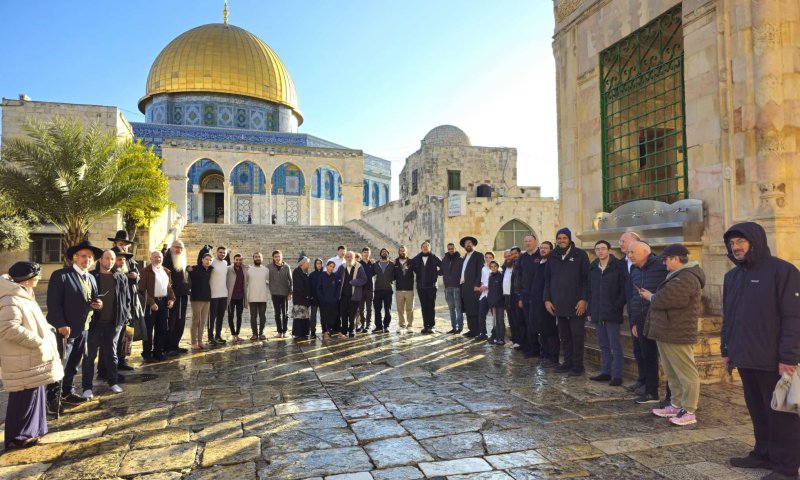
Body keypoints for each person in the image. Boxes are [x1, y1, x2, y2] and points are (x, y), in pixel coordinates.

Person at [721, 222, 800, 479]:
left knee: (781, 415)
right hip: (744, 357)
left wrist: (789, 356)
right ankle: (763, 453)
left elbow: (793, 316)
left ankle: (786, 468)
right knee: (757, 410)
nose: (736, 247)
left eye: (740, 242)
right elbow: (729, 317)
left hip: (773, 359)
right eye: (732, 243)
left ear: (755, 241)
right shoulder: (732, 276)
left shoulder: (782, 271)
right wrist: (726, 349)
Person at [639, 243, 705, 426]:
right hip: (667, 332)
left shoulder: (687, 277)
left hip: (678, 332)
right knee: (672, 372)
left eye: (666, 259)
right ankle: (676, 405)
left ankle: (689, 410)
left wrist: (651, 297)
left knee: (686, 372)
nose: (663, 263)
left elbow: (668, 299)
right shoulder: (677, 275)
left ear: (676, 259)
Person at [0, 262, 63, 448]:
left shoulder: (23, 294)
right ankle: (18, 437)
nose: (38, 279)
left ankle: (31, 432)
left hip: (31, 358)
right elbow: (8, 328)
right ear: (28, 279)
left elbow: (31, 321)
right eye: (36, 276)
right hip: (23, 358)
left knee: (34, 396)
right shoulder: (11, 299)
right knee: (24, 399)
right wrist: (37, 341)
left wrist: (47, 329)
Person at [46, 240, 104, 409]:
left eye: (90, 257)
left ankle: (67, 391)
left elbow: (93, 298)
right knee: (60, 364)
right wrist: (60, 324)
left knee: (74, 363)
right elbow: (53, 304)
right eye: (84, 256)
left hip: (84, 329)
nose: (87, 260)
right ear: (75, 257)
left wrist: (98, 305)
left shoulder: (92, 277)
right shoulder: (61, 275)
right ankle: (53, 398)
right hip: (64, 330)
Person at [82, 250, 130, 399]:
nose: (110, 261)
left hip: (113, 324)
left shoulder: (121, 277)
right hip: (94, 324)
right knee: (89, 356)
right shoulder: (90, 276)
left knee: (112, 354)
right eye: (107, 258)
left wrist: (123, 318)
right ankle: (87, 388)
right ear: (100, 260)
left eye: (112, 259)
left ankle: (113, 382)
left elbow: (127, 300)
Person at [544, 227, 590, 376]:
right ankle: (567, 362)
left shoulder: (580, 255)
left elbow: (586, 279)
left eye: (564, 238)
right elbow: (547, 279)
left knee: (577, 335)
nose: (561, 240)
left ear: (569, 239)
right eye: (559, 238)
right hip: (558, 303)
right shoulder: (552, 256)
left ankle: (578, 365)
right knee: (564, 335)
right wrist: (547, 299)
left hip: (576, 303)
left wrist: (584, 299)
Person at [626, 241, 668, 403]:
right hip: (642, 318)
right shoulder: (634, 269)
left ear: (645, 251)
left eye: (632, 253)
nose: (629, 256)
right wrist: (635, 322)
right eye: (628, 253)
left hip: (661, 318)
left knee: (667, 358)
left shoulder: (661, 265)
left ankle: (672, 397)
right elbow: (635, 297)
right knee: (647, 355)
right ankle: (651, 392)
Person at [587, 240, 627, 386]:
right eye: (597, 249)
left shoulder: (618, 266)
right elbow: (590, 291)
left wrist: (616, 306)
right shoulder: (593, 267)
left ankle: (617, 375)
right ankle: (605, 372)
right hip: (597, 311)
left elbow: (623, 290)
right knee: (603, 344)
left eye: (603, 248)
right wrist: (590, 309)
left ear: (609, 250)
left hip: (612, 312)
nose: (600, 251)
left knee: (614, 344)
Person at [108, 230, 139, 373]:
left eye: (126, 244)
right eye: (121, 244)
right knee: (113, 337)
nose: (124, 247)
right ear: (115, 244)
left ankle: (123, 359)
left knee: (128, 333)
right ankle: (109, 365)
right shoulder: (108, 259)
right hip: (115, 305)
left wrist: (135, 276)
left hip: (130, 302)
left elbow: (137, 276)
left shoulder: (130, 260)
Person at [139, 251, 176, 361]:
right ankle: (147, 353)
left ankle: (158, 352)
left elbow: (169, 287)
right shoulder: (146, 271)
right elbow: (141, 290)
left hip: (163, 302)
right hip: (151, 303)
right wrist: (151, 303)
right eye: (155, 257)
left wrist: (171, 299)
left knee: (162, 328)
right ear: (151, 258)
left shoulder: (166, 271)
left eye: (159, 257)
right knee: (149, 329)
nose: (158, 259)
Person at [531, 241, 559, 366]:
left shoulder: (552, 264)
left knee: (550, 331)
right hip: (538, 302)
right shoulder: (539, 263)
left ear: (551, 250)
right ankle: (545, 353)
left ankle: (552, 357)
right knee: (542, 330)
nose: (543, 250)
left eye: (546, 248)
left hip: (549, 302)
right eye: (541, 248)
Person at [515, 235, 541, 355]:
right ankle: (531, 347)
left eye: (530, 241)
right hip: (525, 296)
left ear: (535, 241)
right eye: (525, 241)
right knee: (527, 322)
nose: (528, 243)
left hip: (539, 295)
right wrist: (520, 296)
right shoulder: (523, 257)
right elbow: (519, 276)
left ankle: (541, 349)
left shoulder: (541, 255)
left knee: (539, 322)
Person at [163, 240, 190, 356]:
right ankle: (168, 347)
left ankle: (175, 345)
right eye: (176, 247)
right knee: (171, 321)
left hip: (182, 295)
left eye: (181, 248)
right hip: (172, 296)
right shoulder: (166, 260)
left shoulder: (181, 259)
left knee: (180, 321)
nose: (179, 250)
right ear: (171, 247)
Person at [411, 241, 442, 334]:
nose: (425, 248)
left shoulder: (434, 257)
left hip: (432, 286)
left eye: (427, 246)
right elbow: (410, 264)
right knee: (424, 307)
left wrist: (436, 274)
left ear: (430, 248)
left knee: (431, 306)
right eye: (423, 246)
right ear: (421, 248)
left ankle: (432, 326)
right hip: (421, 287)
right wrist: (418, 273)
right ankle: (425, 326)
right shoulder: (417, 258)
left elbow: (443, 266)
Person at [338, 251, 367, 337]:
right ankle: (344, 330)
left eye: (350, 256)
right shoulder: (342, 267)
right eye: (347, 256)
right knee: (343, 314)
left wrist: (353, 282)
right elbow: (336, 277)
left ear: (354, 257)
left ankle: (351, 330)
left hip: (354, 295)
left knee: (352, 314)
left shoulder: (359, 266)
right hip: (343, 295)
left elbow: (364, 279)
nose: (348, 258)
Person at [188, 253, 213, 350]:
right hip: (196, 298)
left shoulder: (210, 269)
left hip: (206, 298)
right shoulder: (194, 269)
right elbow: (186, 270)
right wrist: (187, 267)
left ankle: (200, 341)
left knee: (202, 321)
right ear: (202, 259)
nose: (208, 261)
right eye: (206, 259)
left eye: (210, 260)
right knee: (196, 320)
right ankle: (193, 342)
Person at [459, 236, 483, 338]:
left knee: (474, 309)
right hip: (465, 286)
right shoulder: (464, 256)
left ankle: (477, 331)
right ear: (464, 246)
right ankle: (471, 329)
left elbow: (479, 271)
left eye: (470, 243)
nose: (468, 244)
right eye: (466, 243)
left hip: (473, 286)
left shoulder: (478, 255)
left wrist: (477, 285)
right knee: (468, 309)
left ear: (473, 244)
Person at [267, 250, 292, 338]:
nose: (277, 258)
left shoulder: (286, 267)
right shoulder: (269, 267)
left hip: (284, 293)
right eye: (275, 257)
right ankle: (279, 331)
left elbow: (290, 280)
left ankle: (285, 331)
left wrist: (290, 292)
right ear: (273, 258)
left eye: (279, 256)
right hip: (275, 293)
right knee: (277, 313)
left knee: (285, 313)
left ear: (281, 257)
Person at [441, 243, 464, 334]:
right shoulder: (445, 259)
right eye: (449, 248)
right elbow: (442, 271)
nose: (450, 250)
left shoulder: (460, 259)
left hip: (457, 287)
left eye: (452, 248)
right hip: (447, 287)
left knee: (458, 308)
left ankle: (460, 327)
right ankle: (453, 327)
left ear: (455, 248)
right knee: (451, 308)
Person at [246, 252, 270, 340]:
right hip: (252, 297)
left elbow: (269, 281)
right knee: (253, 317)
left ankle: (262, 333)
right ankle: (254, 334)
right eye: (256, 257)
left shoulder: (266, 270)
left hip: (262, 297)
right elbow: (246, 282)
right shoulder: (248, 270)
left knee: (262, 316)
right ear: (253, 258)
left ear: (262, 258)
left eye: (259, 257)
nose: (257, 258)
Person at [208, 246, 229, 345]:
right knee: (212, 317)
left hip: (223, 294)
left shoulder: (225, 263)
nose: (222, 254)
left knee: (221, 316)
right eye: (220, 252)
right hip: (213, 294)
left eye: (224, 253)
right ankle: (210, 337)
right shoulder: (211, 262)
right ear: (216, 252)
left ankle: (218, 335)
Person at [226, 253, 247, 344]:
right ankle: (233, 334)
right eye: (236, 260)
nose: (238, 261)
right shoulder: (229, 269)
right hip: (231, 297)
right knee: (230, 315)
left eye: (240, 260)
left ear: (242, 260)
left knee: (239, 316)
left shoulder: (245, 269)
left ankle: (237, 334)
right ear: (234, 260)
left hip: (240, 296)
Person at [317, 260, 341, 340]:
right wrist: (322, 299)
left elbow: (338, 289)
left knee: (332, 316)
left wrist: (336, 298)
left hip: (333, 301)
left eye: (333, 267)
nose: (331, 268)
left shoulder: (335, 276)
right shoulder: (321, 276)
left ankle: (330, 331)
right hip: (323, 301)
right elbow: (318, 289)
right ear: (327, 266)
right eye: (330, 266)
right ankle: (325, 332)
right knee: (324, 317)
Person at [372, 248, 395, 333]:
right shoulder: (375, 264)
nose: (384, 253)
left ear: (388, 254)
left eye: (386, 252)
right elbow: (370, 273)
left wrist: (391, 280)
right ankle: (378, 326)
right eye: (382, 252)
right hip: (378, 289)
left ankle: (386, 326)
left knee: (387, 309)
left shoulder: (392, 264)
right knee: (377, 309)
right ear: (380, 254)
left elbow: (396, 275)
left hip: (388, 290)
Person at [394, 246, 415, 333]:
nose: (402, 252)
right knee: (400, 309)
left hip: (409, 289)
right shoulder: (395, 262)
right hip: (399, 289)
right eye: (401, 251)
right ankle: (402, 325)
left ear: (407, 252)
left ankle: (410, 325)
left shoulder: (411, 262)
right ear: (398, 252)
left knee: (410, 309)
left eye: (404, 251)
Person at [291, 256, 312, 338]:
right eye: (307, 263)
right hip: (300, 299)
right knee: (299, 317)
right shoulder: (297, 272)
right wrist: (306, 295)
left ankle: (304, 333)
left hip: (305, 299)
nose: (308, 264)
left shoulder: (304, 271)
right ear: (303, 263)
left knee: (305, 316)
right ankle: (298, 333)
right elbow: (299, 287)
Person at [476, 251, 495, 341]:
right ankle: (483, 333)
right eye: (486, 257)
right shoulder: (483, 269)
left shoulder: (496, 269)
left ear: (493, 258)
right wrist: (481, 287)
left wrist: (486, 286)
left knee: (494, 316)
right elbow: (483, 281)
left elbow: (496, 283)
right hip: (484, 295)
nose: (488, 259)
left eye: (490, 257)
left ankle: (494, 334)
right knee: (481, 314)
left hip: (493, 295)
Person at [357, 247, 376, 333]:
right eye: (364, 252)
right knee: (361, 308)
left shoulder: (372, 264)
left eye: (367, 252)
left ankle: (368, 324)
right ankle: (362, 323)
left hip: (369, 289)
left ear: (370, 253)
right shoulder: (358, 264)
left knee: (369, 308)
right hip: (361, 289)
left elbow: (376, 272)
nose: (366, 254)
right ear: (362, 253)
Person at [487, 260, 506, 345]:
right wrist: (490, 301)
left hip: (500, 303)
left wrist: (496, 300)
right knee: (494, 321)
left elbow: (501, 291)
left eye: (495, 266)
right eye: (491, 267)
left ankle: (501, 339)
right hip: (492, 303)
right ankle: (496, 337)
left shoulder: (501, 276)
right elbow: (490, 290)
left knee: (500, 320)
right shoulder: (490, 277)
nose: (493, 268)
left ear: (498, 267)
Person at [502, 250, 517, 345]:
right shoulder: (503, 268)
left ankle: (519, 340)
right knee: (510, 319)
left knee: (516, 320)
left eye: (509, 256)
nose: (507, 258)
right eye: (506, 256)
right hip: (506, 297)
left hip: (514, 297)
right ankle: (514, 339)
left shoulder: (516, 267)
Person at [308, 258, 324, 339]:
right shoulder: (311, 275)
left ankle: (324, 330)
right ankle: (313, 331)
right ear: (315, 264)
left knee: (323, 316)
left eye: (320, 263)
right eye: (317, 263)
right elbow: (309, 287)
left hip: (323, 300)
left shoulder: (325, 274)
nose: (319, 265)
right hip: (314, 299)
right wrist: (311, 297)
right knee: (313, 316)